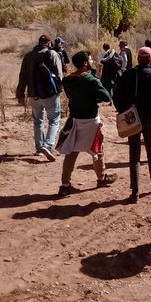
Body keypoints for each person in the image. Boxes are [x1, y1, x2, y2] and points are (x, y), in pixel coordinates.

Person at [56, 50, 117, 196]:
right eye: (89, 60)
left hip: (75, 119)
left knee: (71, 152)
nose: (91, 61)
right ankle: (101, 178)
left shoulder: (67, 80)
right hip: (90, 120)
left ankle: (65, 185)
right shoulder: (91, 80)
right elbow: (106, 97)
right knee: (97, 150)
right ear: (85, 63)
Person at [113, 45, 151, 201]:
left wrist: (124, 111)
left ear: (137, 58)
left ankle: (135, 191)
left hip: (132, 119)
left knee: (134, 154)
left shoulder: (128, 75)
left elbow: (116, 96)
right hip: (150, 119)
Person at [16, 34, 64, 161]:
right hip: (50, 94)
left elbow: (22, 77)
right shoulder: (53, 54)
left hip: (33, 94)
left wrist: (20, 94)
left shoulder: (28, 56)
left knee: (38, 121)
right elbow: (59, 75)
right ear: (49, 43)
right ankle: (48, 146)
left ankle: (39, 148)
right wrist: (60, 90)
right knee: (54, 120)